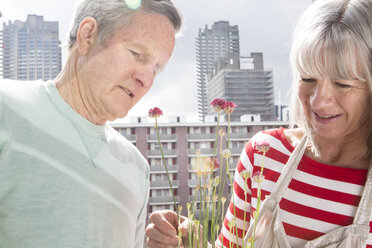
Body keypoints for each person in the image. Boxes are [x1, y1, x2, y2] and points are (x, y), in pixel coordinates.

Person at [145, 0, 372, 247]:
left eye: (343, 84)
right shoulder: (264, 154)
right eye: (307, 78)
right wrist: (191, 244)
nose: (319, 101)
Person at [0, 0, 181, 247]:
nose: (146, 80)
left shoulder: (137, 167)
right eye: (137, 54)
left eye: (156, 69)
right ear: (88, 36)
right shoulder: (6, 109)